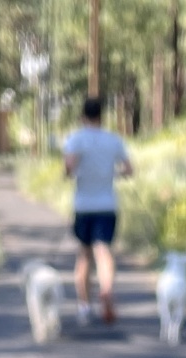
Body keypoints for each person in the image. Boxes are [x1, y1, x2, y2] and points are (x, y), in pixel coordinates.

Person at [61, 96, 132, 325]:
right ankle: (107, 289)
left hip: (83, 205)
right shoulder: (113, 140)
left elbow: (69, 167)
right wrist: (113, 174)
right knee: (103, 251)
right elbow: (129, 170)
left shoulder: (76, 139)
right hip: (107, 204)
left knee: (84, 254)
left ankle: (84, 305)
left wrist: (71, 173)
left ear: (83, 116)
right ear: (102, 116)